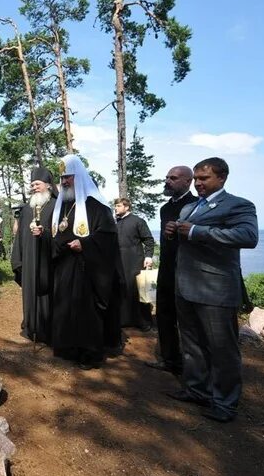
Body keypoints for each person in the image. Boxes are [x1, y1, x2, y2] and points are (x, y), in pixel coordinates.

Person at [163, 157, 258, 423]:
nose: (198, 184)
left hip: (216, 289)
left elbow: (248, 237)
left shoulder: (238, 205)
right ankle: (197, 390)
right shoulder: (188, 208)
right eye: (195, 179)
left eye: (204, 179)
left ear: (222, 178)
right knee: (192, 344)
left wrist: (196, 231)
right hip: (185, 286)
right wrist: (173, 231)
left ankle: (225, 403)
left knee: (222, 349)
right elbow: (184, 238)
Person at [50, 154, 118, 369]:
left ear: (78, 176)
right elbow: (58, 232)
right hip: (64, 267)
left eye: (68, 177)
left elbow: (108, 237)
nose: (64, 182)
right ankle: (68, 347)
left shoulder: (97, 206)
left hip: (87, 269)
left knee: (85, 311)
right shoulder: (63, 205)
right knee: (65, 308)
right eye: (62, 178)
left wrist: (85, 244)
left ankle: (89, 353)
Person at [145, 166, 196, 375]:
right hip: (166, 268)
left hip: (188, 271)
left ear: (187, 182)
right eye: (167, 177)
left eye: (173, 178)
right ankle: (170, 359)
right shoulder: (165, 209)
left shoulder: (196, 206)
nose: (167, 181)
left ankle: (193, 366)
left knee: (188, 320)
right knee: (165, 315)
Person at [11, 167, 56, 344]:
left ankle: (46, 328)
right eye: (32, 184)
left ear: (48, 185)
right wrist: (18, 258)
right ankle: (31, 325)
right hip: (29, 259)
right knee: (29, 291)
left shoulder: (55, 206)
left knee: (46, 293)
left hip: (47, 259)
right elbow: (20, 235)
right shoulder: (27, 209)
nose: (34, 187)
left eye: (37, 184)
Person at [114, 198, 155, 331]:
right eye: (115, 206)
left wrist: (148, 256)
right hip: (119, 261)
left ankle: (142, 321)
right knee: (122, 289)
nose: (116, 208)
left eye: (119, 206)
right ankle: (123, 320)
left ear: (126, 207)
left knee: (137, 290)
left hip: (135, 261)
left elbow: (148, 240)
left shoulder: (137, 221)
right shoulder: (116, 222)